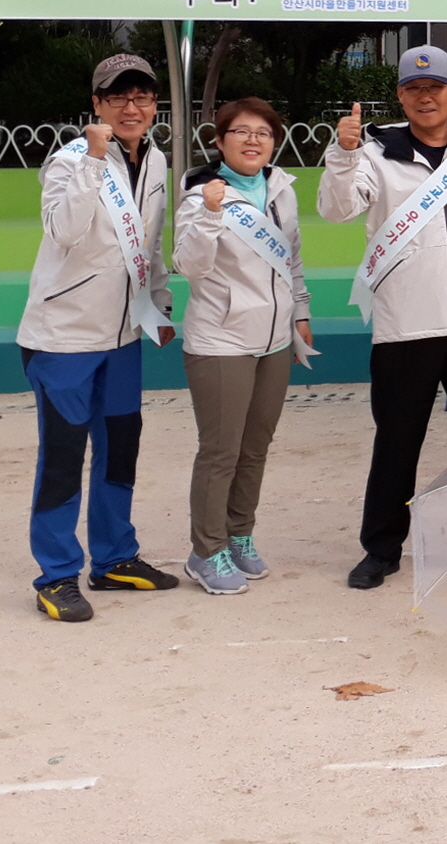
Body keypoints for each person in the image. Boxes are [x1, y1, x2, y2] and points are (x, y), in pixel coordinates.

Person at [319, 46, 447, 590]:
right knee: (396, 442)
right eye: (414, 88)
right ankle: (381, 549)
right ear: (401, 96)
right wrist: (342, 153)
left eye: (435, 87)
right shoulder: (374, 152)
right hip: (404, 326)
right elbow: (336, 209)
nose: (425, 97)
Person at [17, 53, 180, 622]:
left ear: (154, 103)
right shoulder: (68, 160)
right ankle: (57, 574)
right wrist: (92, 159)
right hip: (62, 339)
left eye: (142, 96)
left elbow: (151, 242)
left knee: (119, 452)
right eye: (118, 97)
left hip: (124, 337)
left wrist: (158, 303)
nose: (131, 107)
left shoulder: (156, 159)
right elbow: (64, 230)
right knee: (63, 458)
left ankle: (113, 558)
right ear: (97, 104)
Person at [172, 97, 313, 595]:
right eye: (241, 131)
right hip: (221, 340)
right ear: (219, 141)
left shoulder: (281, 190)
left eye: (263, 133)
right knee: (221, 451)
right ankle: (205, 550)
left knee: (255, 448)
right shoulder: (200, 194)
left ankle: (238, 535)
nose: (253, 140)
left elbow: (292, 258)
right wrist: (211, 214)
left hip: (274, 341)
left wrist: (300, 311)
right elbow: (188, 265)